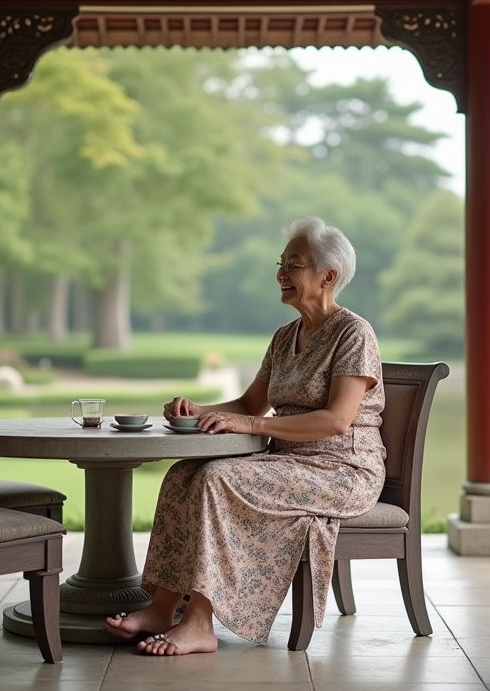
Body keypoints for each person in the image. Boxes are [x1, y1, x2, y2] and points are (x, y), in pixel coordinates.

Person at [105, 215, 386, 656]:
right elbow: (249, 406)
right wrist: (199, 410)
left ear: (328, 276)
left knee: (219, 479)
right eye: (281, 263)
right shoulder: (284, 337)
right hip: (288, 461)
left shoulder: (354, 333)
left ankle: (200, 624)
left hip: (343, 470)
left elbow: (335, 420)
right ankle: (162, 608)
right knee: (184, 474)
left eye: (294, 264)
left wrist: (252, 427)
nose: (281, 273)